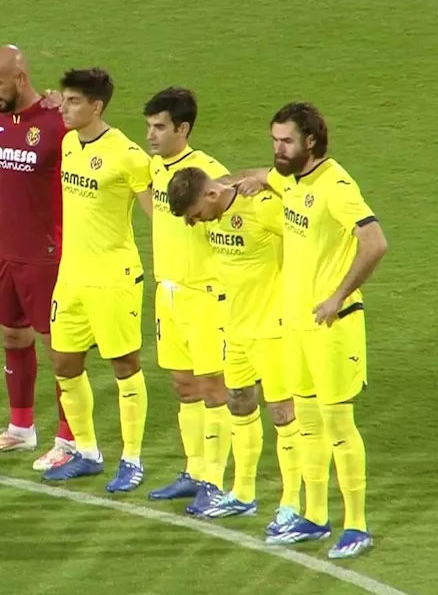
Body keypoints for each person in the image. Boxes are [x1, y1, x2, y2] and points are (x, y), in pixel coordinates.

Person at [221, 102, 388, 559]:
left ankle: (357, 525)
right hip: (295, 325)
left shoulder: (335, 184)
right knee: (309, 424)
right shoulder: (291, 179)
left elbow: (375, 242)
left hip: (333, 327)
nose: (277, 149)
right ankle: (315, 517)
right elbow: (264, 175)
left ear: (310, 141)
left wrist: (338, 295)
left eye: (286, 141)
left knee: (337, 424)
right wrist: (227, 184)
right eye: (274, 140)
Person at [165, 166, 305, 538]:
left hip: (273, 329)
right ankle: (243, 493)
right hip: (236, 328)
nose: (195, 223)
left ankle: (292, 503)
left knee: (283, 413)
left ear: (210, 196)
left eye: (195, 215)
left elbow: (304, 225)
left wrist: (267, 178)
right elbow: (223, 180)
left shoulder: (261, 208)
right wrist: (244, 176)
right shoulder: (215, 206)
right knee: (240, 404)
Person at [40, 68, 154, 493]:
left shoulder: (128, 156)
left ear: (96, 107)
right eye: (64, 100)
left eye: (73, 102)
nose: (65, 109)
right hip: (71, 277)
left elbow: (156, 214)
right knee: (64, 363)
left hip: (114, 277)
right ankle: (86, 453)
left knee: (124, 367)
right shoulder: (70, 142)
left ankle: (133, 459)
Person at [0, 45, 76, 472]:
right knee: (13, 338)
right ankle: (21, 428)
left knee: (59, 350)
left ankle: (69, 437)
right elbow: (3, 160)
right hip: (5, 251)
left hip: (46, 254)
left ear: (20, 79)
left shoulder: (56, 122)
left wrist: (63, 102)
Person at [139, 88, 235, 511]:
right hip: (169, 293)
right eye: (149, 127)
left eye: (160, 127)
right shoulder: (156, 169)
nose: (151, 136)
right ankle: (194, 469)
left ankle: (215, 480)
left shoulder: (209, 175)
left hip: (206, 295)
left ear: (183, 128)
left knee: (213, 386)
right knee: (183, 385)